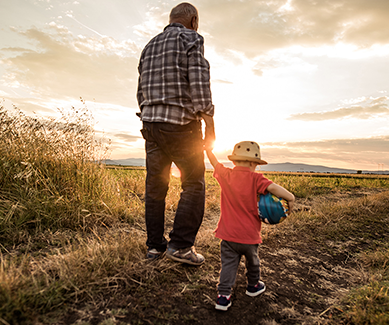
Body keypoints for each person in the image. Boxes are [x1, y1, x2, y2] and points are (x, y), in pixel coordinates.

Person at [136, 2, 215, 266]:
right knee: (193, 183)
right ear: (193, 20)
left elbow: (140, 90)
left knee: (155, 187)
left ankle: (155, 247)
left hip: (151, 125)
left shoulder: (150, 45)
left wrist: (148, 116)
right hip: (180, 126)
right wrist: (209, 123)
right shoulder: (191, 38)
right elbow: (199, 81)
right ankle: (180, 246)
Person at [202, 135, 295, 311]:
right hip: (250, 236)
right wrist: (290, 197)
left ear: (235, 161)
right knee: (253, 262)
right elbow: (273, 188)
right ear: (254, 164)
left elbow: (215, 164)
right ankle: (253, 286)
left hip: (228, 235)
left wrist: (208, 150)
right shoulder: (256, 179)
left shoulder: (226, 175)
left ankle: (223, 296)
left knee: (228, 265)